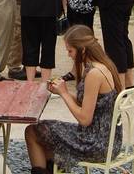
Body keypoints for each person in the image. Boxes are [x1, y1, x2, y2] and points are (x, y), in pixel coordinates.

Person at [25, 25, 122, 174]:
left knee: (32, 131)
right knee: (43, 133)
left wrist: (64, 94)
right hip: (109, 140)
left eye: (70, 51)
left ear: (82, 50)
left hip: (96, 144)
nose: (69, 55)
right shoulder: (105, 65)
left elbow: (84, 119)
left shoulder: (94, 74)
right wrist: (61, 91)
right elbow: (91, 103)